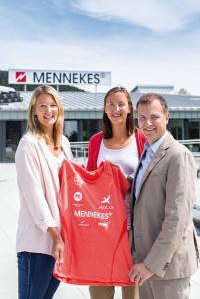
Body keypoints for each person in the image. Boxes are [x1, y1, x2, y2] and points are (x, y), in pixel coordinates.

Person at [129, 92, 200, 299]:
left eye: (154, 117)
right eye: (142, 118)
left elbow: (177, 220)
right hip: (145, 263)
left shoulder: (179, 155)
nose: (147, 123)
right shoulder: (147, 152)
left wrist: (150, 265)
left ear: (167, 118)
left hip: (167, 268)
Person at [87, 86, 146, 299]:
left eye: (121, 104)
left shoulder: (141, 139)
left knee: (132, 289)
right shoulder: (96, 141)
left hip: (133, 227)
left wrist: (123, 178)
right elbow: (89, 180)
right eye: (111, 104)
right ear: (104, 108)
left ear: (130, 108)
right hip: (103, 226)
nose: (116, 108)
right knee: (100, 290)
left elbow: (150, 180)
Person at [15, 85, 73, 298]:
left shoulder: (64, 143)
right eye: (42, 106)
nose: (49, 111)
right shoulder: (28, 145)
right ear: (34, 111)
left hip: (60, 242)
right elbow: (35, 196)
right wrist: (55, 235)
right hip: (38, 243)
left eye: (53, 105)